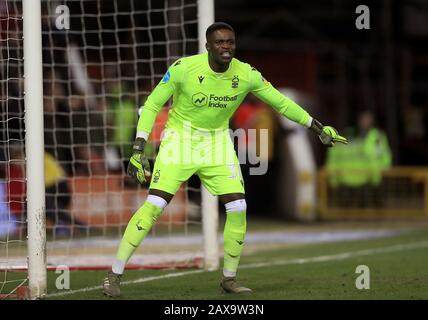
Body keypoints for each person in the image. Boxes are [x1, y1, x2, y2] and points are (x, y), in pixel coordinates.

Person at [103, 22, 347, 297]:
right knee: (155, 206)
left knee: (238, 207)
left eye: (230, 42)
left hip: (217, 144)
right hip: (179, 141)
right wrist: (138, 148)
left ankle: (229, 278)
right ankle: (114, 274)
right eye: (219, 42)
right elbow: (151, 104)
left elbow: (281, 103)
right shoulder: (184, 68)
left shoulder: (246, 74)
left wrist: (317, 127)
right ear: (207, 46)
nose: (226, 47)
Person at [326, 110, 391, 208]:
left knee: (371, 205)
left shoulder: (377, 136)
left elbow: (384, 154)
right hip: (354, 177)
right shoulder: (352, 137)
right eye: (364, 119)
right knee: (349, 206)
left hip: (371, 176)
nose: (366, 122)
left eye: (368, 119)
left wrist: (384, 169)